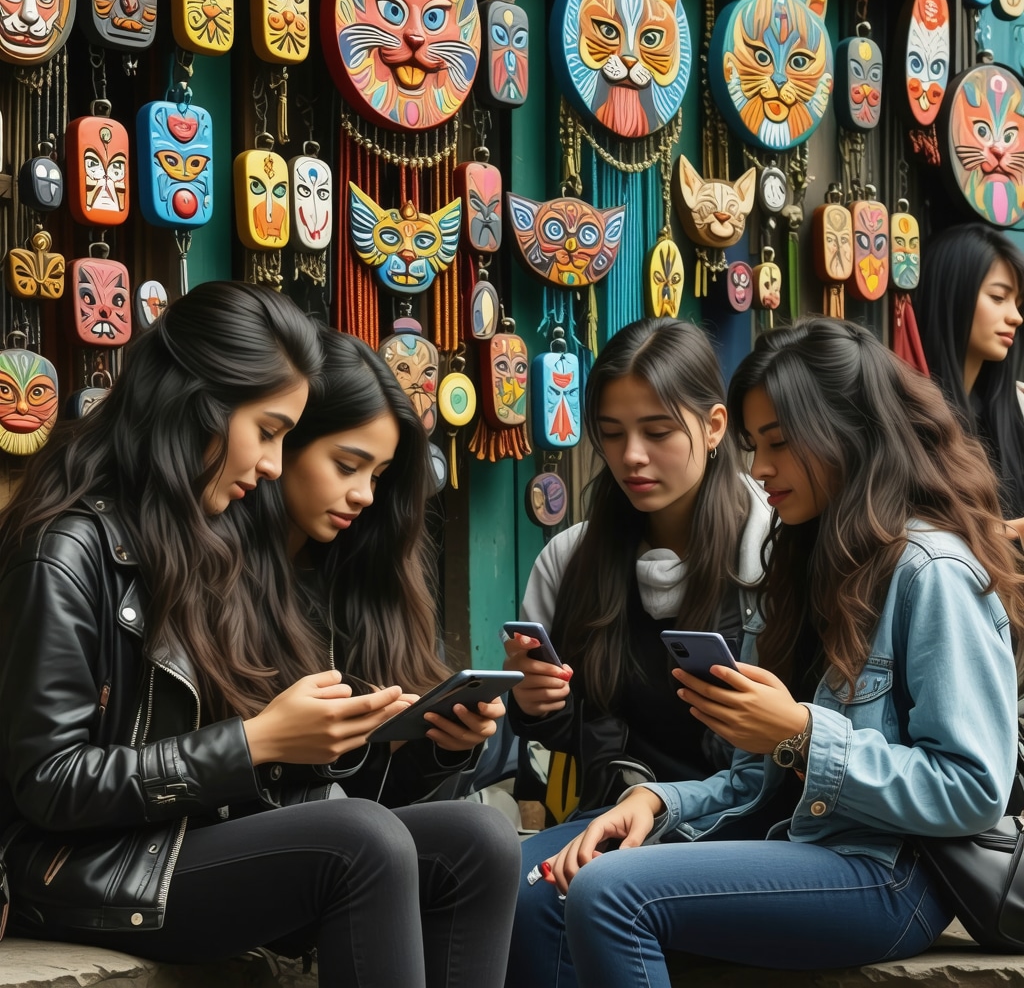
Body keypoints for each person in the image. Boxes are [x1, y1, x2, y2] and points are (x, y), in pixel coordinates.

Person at [0, 282, 520, 988]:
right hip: (80, 869)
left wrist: (404, 743)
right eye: (269, 431)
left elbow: (255, 783)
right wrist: (256, 740)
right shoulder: (66, 548)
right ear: (198, 404)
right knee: (357, 842)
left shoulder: (200, 540)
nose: (273, 464)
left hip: (192, 839)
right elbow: (46, 782)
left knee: (481, 839)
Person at [506, 316, 1022, 988]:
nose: (761, 469)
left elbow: (974, 790)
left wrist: (803, 733)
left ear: (850, 434)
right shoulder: (803, 561)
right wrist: (659, 803)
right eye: (755, 446)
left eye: (779, 443)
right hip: (802, 843)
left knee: (611, 893)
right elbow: (754, 782)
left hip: (895, 873)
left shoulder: (931, 570)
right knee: (542, 891)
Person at [503, 317, 772, 985]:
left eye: (656, 432)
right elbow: (577, 732)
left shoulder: (772, 555)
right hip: (619, 814)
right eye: (613, 434)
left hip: (749, 819)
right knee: (512, 885)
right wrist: (533, 705)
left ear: (713, 428)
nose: (631, 458)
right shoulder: (571, 561)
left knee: (567, 894)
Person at [258, 327, 506, 806]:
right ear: (283, 441)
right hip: (258, 843)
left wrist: (442, 745)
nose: (365, 495)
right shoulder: (222, 577)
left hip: (355, 844)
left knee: (484, 828)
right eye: (347, 466)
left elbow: (376, 798)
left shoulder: (361, 573)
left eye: (378, 476)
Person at [915, 223, 1024, 536]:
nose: (1016, 316)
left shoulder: (1013, 407)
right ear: (952, 295)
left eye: (1017, 303)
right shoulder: (907, 418)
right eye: (999, 297)